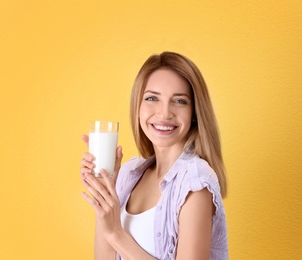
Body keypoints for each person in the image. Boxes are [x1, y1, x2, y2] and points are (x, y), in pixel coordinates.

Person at [80, 51, 228, 259]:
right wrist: (106, 192)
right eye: (152, 98)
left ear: (194, 113)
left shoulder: (195, 182)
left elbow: (114, 235)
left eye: (179, 101)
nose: (164, 113)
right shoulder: (130, 173)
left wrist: (116, 234)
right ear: (138, 107)